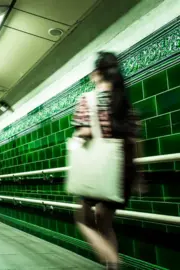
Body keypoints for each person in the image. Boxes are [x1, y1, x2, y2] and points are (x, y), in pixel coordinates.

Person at [71, 52, 139, 270]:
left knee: (82, 219)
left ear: (96, 73)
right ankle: (113, 266)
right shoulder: (125, 102)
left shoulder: (89, 99)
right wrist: (140, 175)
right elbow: (134, 139)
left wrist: (78, 136)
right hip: (123, 171)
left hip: (99, 170)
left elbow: (85, 132)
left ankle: (114, 260)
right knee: (105, 222)